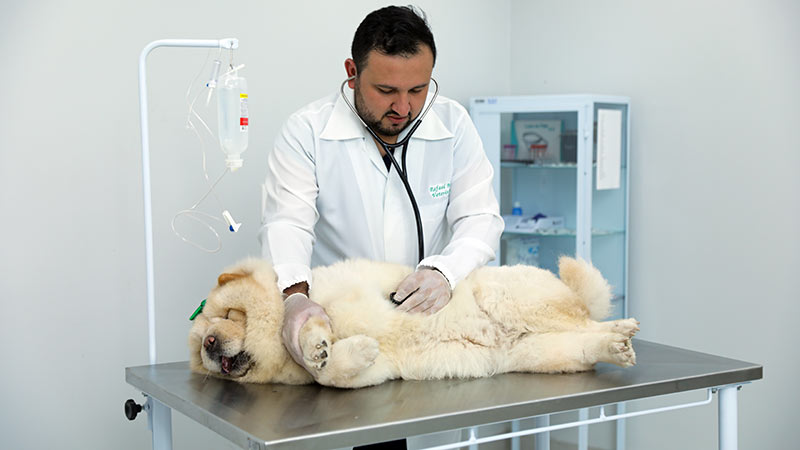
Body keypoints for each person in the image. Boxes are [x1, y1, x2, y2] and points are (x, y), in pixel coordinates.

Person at [260, 4, 502, 380]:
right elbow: (287, 223)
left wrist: (445, 272)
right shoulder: (307, 131)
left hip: (427, 327)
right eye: (386, 90)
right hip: (338, 325)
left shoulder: (452, 125)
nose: (403, 108)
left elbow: (481, 217)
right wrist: (294, 298)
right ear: (352, 74)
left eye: (418, 89)